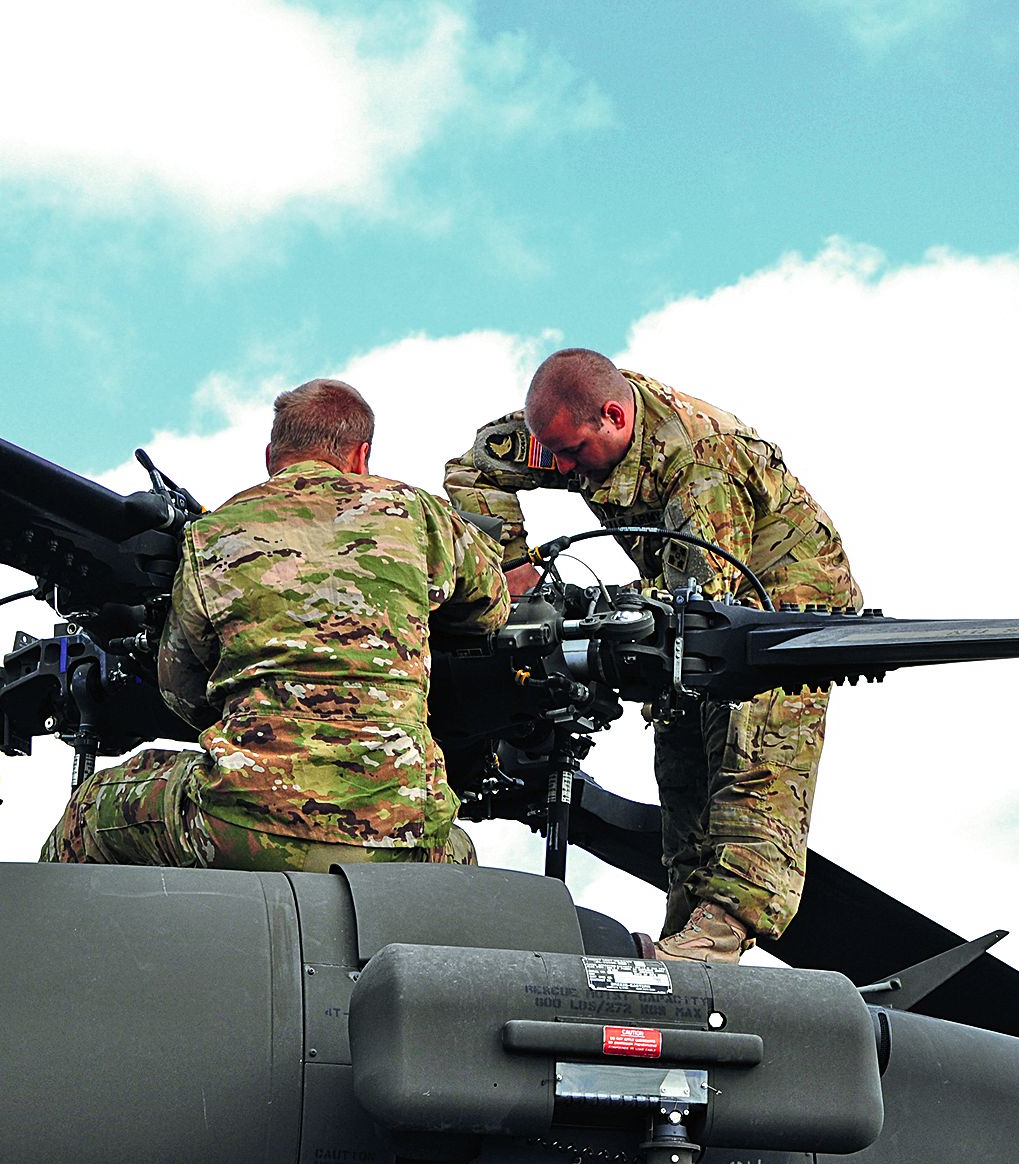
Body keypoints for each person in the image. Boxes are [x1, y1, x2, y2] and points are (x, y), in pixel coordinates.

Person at [443, 349, 861, 962]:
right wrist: (512, 569)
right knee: (681, 757)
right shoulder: (572, 429)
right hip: (689, 593)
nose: (561, 468)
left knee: (751, 756)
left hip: (780, 605)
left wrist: (597, 609)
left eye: (572, 454)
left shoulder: (701, 462)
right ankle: (684, 928)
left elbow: (702, 596)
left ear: (614, 416)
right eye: (552, 453)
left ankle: (723, 930)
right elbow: (473, 469)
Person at [43, 378, 509, 871]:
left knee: (92, 810)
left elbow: (178, 686)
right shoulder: (418, 513)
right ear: (361, 455)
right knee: (461, 852)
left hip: (245, 823)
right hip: (406, 840)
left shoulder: (212, 534)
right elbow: (493, 608)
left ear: (271, 455)